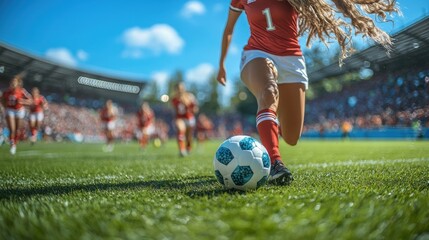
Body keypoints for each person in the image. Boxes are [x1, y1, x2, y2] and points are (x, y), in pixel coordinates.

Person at [217, 0, 398, 185]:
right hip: (256, 54)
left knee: (291, 137)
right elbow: (229, 28)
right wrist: (222, 64)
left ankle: (267, 130)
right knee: (268, 91)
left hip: (292, 61)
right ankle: (275, 162)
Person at [1, 74, 32, 154]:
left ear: (17, 83)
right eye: (11, 81)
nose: (12, 83)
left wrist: (22, 101)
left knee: (18, 130)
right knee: (12, 129)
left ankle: (14, 143)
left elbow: (30, 101)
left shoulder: (22, 91)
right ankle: (12, 144)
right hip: (10, 110)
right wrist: (5, 107)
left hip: (19, 110)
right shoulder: (6, 91)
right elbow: (2, 100)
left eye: (14, 81)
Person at [171, 82, 198, 157]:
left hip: (189, 118)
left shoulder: (190, 96)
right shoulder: (174, 99)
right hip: (180, 118)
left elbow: (195, 109)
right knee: (180, 130)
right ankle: (181, 150)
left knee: (189, 137)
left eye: (181, 88)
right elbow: (176, 110)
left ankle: (188, 148)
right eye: (178, 89)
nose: (180, 90)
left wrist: (186, 102)